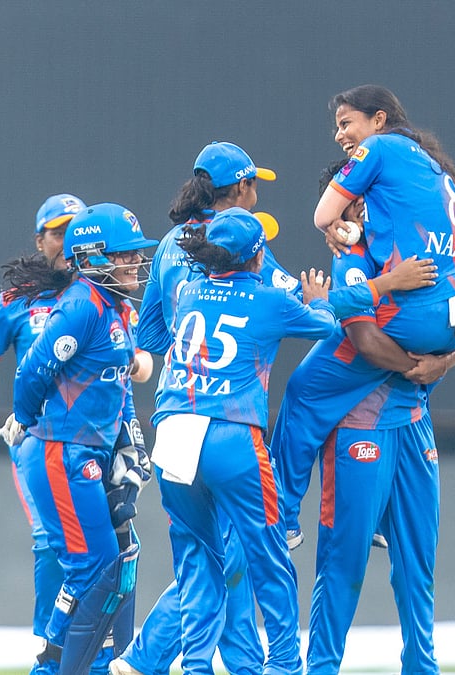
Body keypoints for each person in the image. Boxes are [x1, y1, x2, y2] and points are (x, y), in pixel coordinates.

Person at [274, 84, 455, 546]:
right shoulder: (431, 175)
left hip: (401, 330)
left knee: (306, 392)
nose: (339, 135)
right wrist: (436, 364)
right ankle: (385, 514)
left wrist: (336, 239)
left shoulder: (375, 173)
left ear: (379, 121)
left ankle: (283, 514)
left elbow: (360, 332)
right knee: (398, 402)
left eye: (346, 123)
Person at [0, 193, 155, 655]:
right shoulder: (20, 299)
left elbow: (136, 364)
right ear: (40, 239)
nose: (62, 241)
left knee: (115, 546)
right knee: (53, 540)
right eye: (55, 232)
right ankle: (52, 644)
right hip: (46, 438)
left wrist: (133, 371)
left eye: (71, 230)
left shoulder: (107, 293)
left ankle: (103, 650)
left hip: (102, 434)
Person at [303, 171, 455, 674]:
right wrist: (417, 366)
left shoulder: (422, 256)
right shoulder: (353, 258)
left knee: (417, 560)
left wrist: (443, 364)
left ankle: (421, 667)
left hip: (413, 424)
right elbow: (363, 340)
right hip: (360, 427)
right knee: (345, 558)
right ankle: (321, 667)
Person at [147, 207, 336, 675]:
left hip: (171, 431)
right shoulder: (268, 299)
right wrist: (320, 300)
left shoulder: (188, 291)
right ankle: (286, 665)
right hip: (230, 435)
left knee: (197, 558)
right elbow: (327, 328)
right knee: (267, 554)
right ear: (257, 257)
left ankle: (195, 667)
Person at [7, 202, 159, 675]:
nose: (136, 262)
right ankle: (62, 669)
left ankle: (79, 665)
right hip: (61, 451)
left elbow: (119, 385)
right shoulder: (81, 306)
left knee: (117, 560)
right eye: (125, 255)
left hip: (83, 452)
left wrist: (129, 443)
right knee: (93, 567)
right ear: (94, 259)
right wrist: (32, 422)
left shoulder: (115, 306)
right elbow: (31, 371)